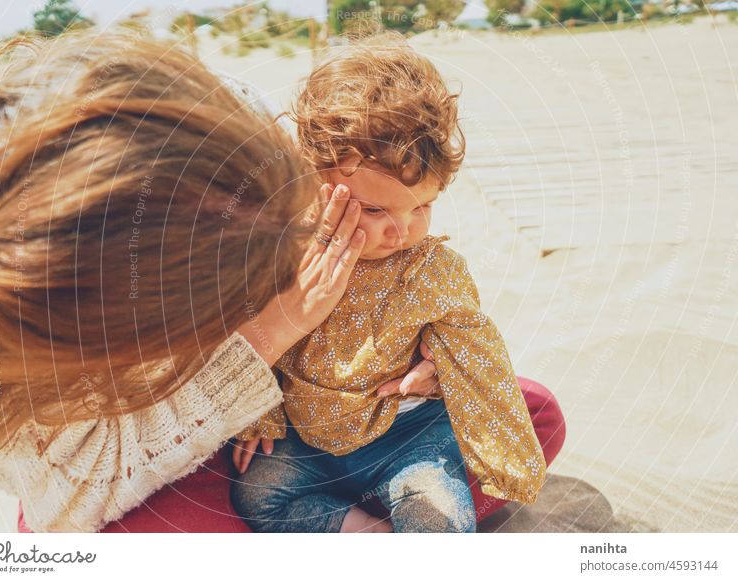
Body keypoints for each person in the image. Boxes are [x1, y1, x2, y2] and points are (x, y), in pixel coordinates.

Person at [0, 31, 449, 533]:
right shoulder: (17, 361)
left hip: (276, 409)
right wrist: (270, 331)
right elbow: (67, 500)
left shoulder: (224, 123)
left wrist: (418, 343)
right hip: (159, 455)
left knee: (526, 407)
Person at [229, 34, 555, 533]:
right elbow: (255, 331)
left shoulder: (432, 269)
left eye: (421, 207)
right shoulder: (285, 253)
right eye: (376, 209)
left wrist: (505, 454)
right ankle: (368, 532)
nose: (401, 230)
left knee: (437, 511)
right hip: (306, 439)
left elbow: (476, 349)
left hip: (407, 437)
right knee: (257, 493)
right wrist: (258, 414)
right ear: (314, 183)